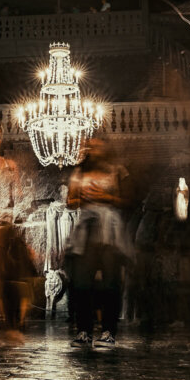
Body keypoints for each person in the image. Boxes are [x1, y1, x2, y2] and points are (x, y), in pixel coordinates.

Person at [67, 138, 129, 349]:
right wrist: (82, 198)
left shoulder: (115, 170)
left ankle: (109, 331)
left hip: (109, 232)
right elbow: (69, 202)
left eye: (98, 146)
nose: (94, 150)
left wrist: (105, 196)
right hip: (86, 232)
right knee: (82, 283)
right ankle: (84, 331)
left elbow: (127, 200)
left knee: (111, 283)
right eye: (91, 146)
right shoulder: (80, 172)